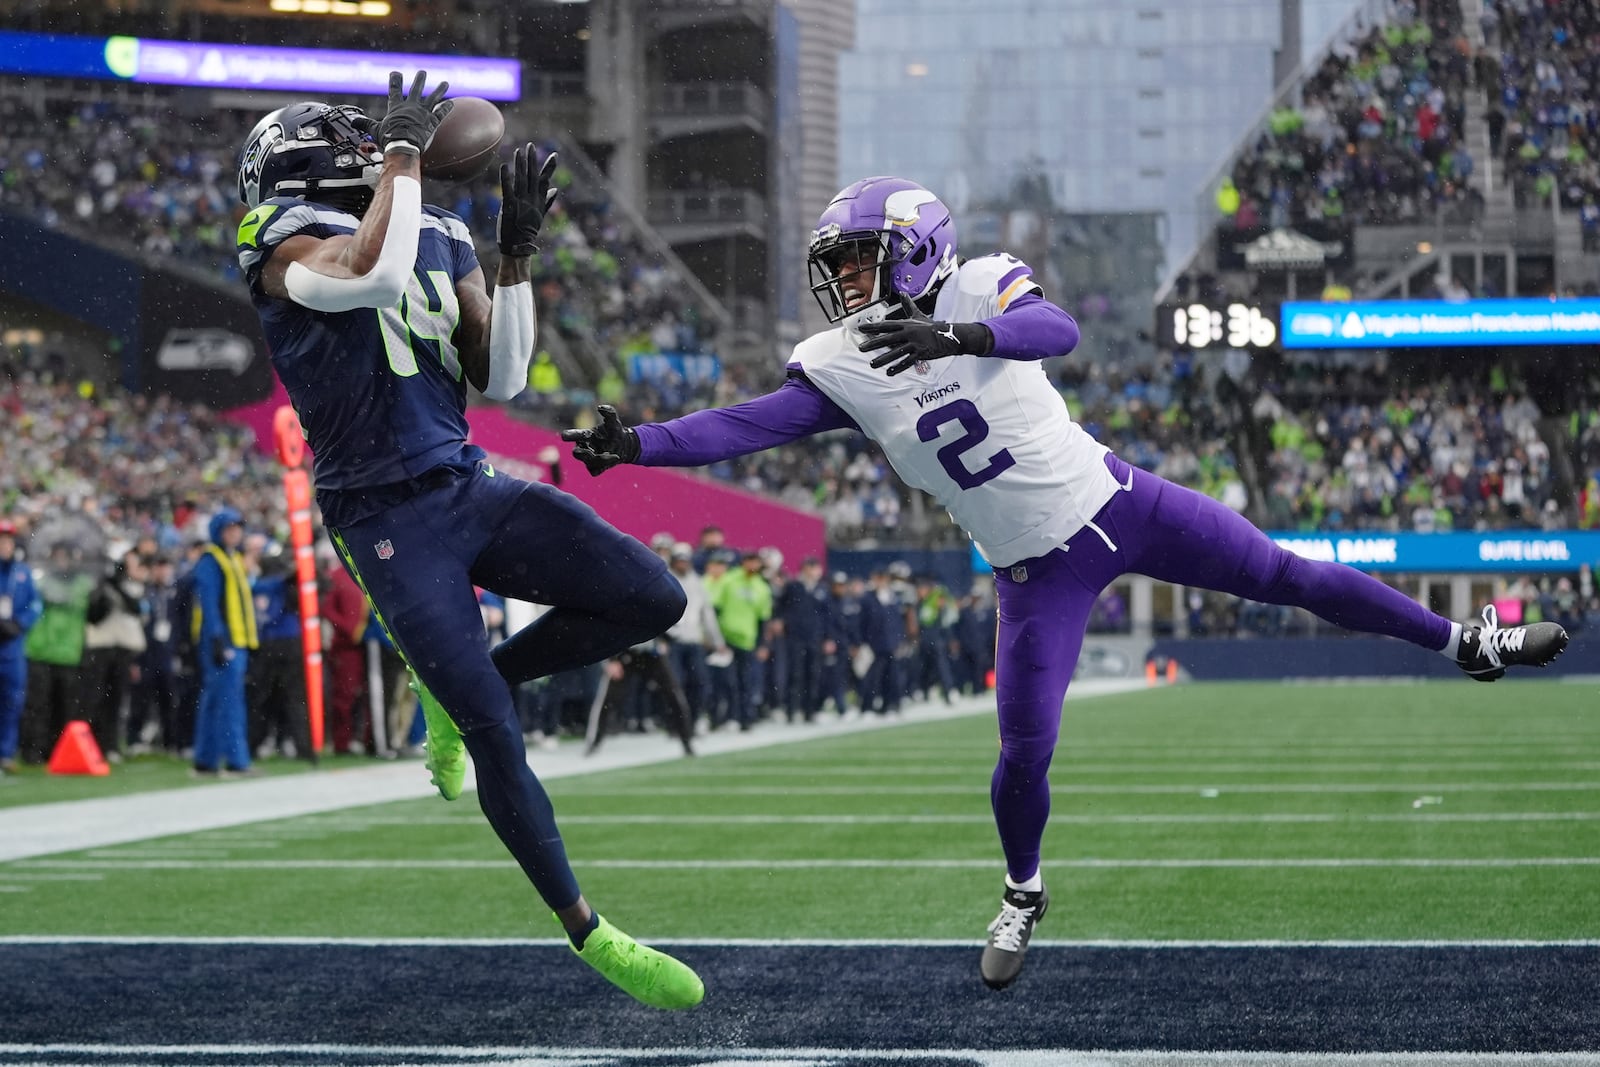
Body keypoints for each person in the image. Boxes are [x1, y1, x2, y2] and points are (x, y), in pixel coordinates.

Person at [561, 174, 1572, 991]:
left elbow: (1058, 334)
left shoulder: (980, 283)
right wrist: (634, 443)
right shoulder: (839, 360)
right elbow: (743, 424)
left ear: (915, 249)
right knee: (1022, 749)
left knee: (1288, 571)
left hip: (1122, 504)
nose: (846, 283)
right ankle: (1023, 888)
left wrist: (956, 338)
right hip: (1033, 573)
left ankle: (1465, 644)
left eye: (860, 259)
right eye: (839, 265)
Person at [232, 70, 701, 1009]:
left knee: (653, 597)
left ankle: (457, 692)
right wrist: (404, 155)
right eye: (355, 135)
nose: (373, 139)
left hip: (465, 481)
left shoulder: (440, 230)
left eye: (384, 136)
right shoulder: (272, 236)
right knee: (496, 730)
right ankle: (587, 928)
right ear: (302, 157)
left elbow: (508, 377)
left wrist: (515, 252)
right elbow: (371, 272)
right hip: (381, 513)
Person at [190, 508, 258, 777]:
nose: (234, 532)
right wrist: (218, 636)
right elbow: (208, 602)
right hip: (224, 640)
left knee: (216, 700)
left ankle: (205, 760)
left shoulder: (231, 558)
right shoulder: (212, 560)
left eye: (237, 528)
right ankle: (236, 761)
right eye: (229, 528)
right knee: (229, 701)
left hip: (233, 639)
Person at [0, 519, 42, 774]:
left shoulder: (23, 573)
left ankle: (5, 753)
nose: (4, 545)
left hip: (13, 647)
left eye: (7, 540)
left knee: (12, 701)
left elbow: (36, 605)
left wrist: (20, 624)